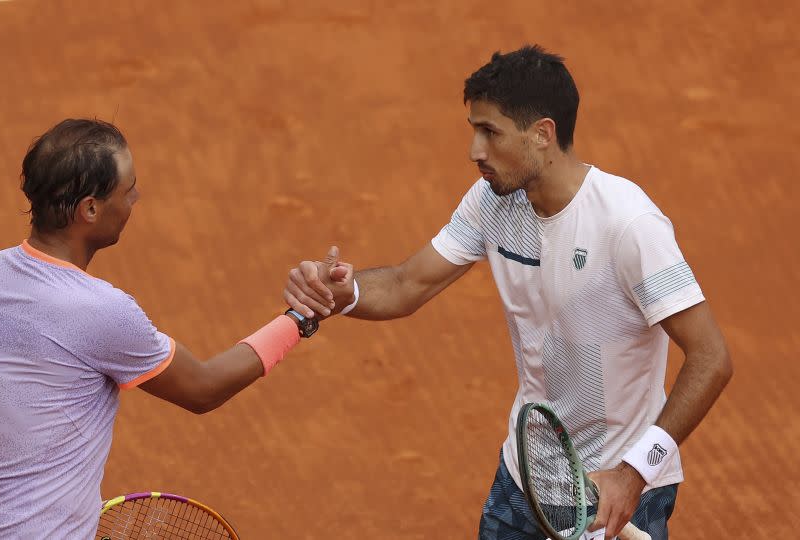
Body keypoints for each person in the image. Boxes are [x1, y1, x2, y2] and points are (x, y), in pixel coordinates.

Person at [283, 45, 733, 540]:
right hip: (527, 480)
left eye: (489, 132)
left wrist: (634, 474)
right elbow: (407, 283)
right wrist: (343, 292)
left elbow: (710, 357)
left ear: (542, 134)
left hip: (614, 491)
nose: (475, 150)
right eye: (475, 130)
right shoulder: (492, 202)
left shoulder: (628, 225)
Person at [0, 118, 328, 538]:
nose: (136, 197)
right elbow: (203, 387)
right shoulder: (100, 310)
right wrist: (300, 318)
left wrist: (5, 479)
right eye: (128, 191)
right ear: (90, 209)